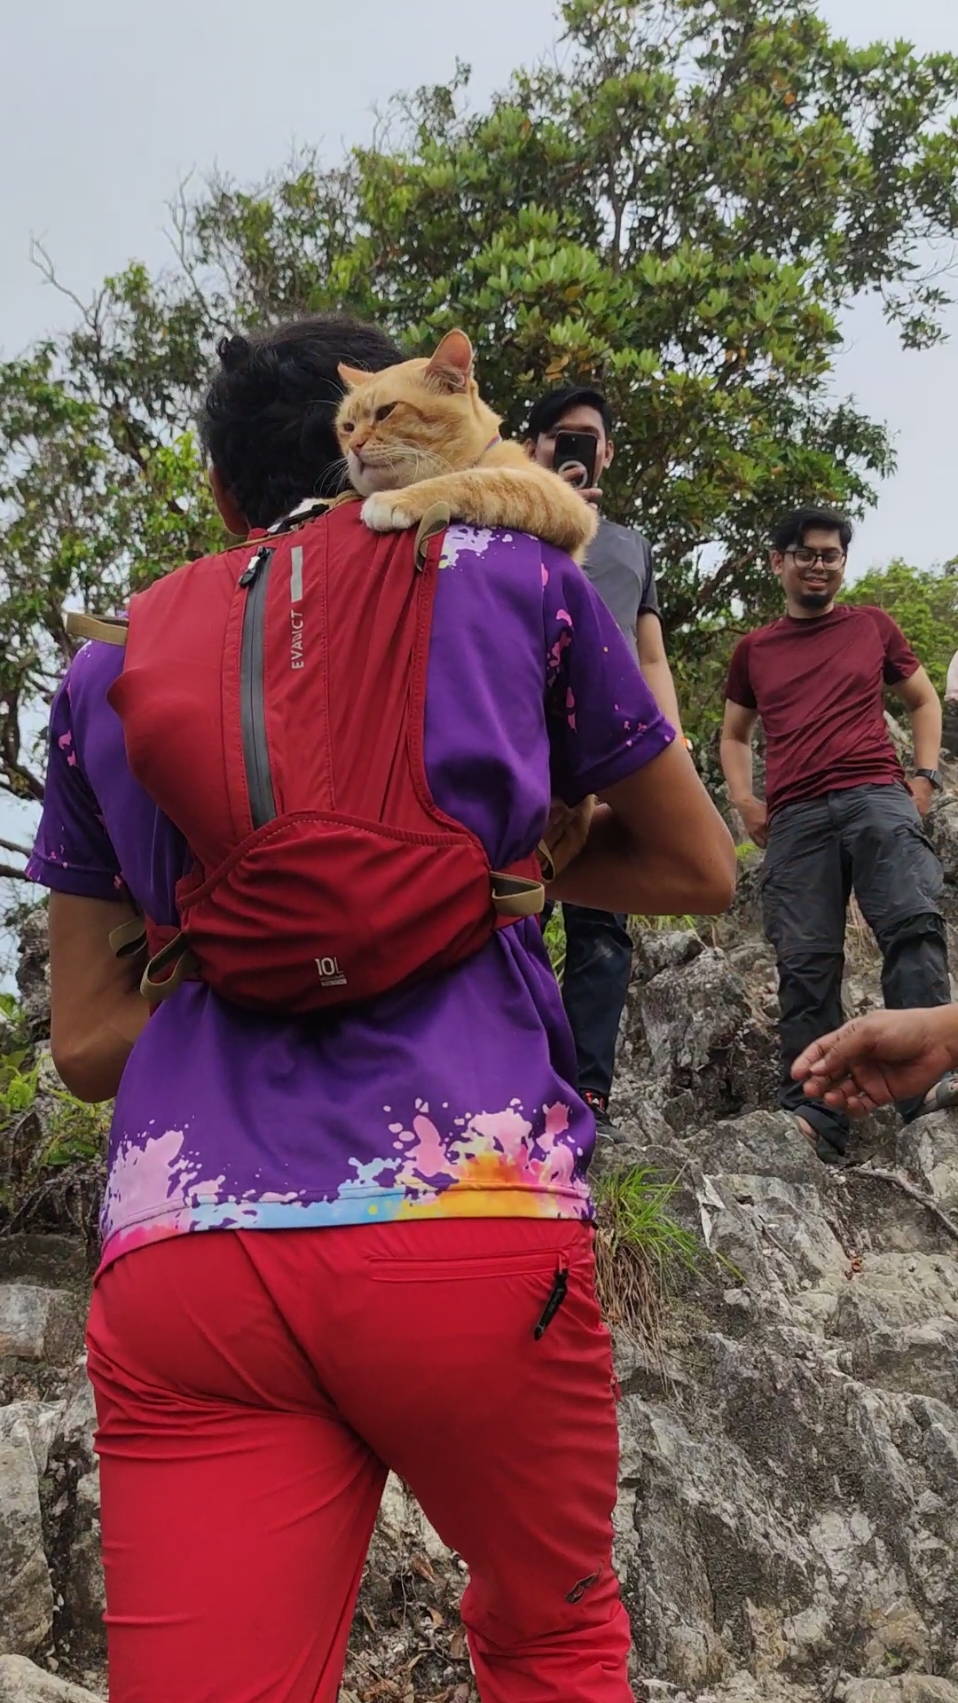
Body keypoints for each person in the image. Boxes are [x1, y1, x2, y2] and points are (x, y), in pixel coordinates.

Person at [30, 313, 736, 1703]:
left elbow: (86, 1044)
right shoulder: (514, 573)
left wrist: (215, 947)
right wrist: (500, 871)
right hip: (465, 1208)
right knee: (549, 1642)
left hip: (194, 1250)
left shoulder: (116, 670)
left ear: (225, 499)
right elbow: (700, 868)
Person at [720, 504, 958, 1165]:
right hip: (795, 816)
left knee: (912, 927)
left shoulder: (872, 626)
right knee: (805, 964)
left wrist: (925, 778)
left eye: (831, 554)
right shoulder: (755, 650)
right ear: (778, 562)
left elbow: (923, 699)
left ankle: (931, 1088)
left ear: (842, 563)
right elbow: (734, 733)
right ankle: (815, 1115)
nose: (819, 564)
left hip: (875, 796)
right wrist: (745, 799)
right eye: (806, 553)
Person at [525, 385, 685, 1140]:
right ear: (533, 447)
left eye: (591, 438)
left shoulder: (630, 544)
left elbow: (650, 650)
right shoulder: (509, 525)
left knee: (603, 928)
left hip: (610, 747)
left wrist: (672, 743)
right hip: (524, 743)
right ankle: (520, 1071)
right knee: (517, 908)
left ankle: (590, 1087)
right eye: (562, 437)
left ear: (610, 453)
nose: (577, 449)